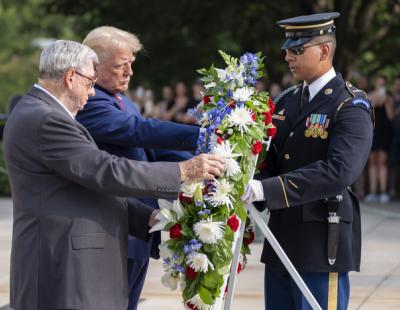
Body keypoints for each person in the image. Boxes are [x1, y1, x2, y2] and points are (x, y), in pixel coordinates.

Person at [2, 40, 224, 310]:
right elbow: (105, 170)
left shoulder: (42, 112)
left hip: (73, 267)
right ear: (71, 77)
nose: (93, 93)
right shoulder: (45, 118)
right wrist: (182, 171)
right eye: (90, 82)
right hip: (63, 268)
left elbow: (86, 186)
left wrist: (148, 218)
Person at [242, 13, 374, 310]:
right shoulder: (288, 100)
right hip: (282, 237)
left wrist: (266, 190)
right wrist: (242, 180)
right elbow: (272, 160)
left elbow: (339, 171)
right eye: (287, 49)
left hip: (320, 240)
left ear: (324, 51)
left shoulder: (349, 104)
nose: (288, 56)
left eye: (297, 49)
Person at [76, 26, 204, 310]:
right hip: (116, 227)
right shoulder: (92, 102)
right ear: (93, 66)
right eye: (121, 66)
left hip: (139, 227)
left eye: (131, 64)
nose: (129, 72)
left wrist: (206, 160)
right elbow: (140, 131)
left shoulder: (120, 99)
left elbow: (154, 150)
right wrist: (201, 136)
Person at [365, 76, 394, 203]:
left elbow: (391, 116)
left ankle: (383, 191)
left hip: (385, 132)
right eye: (378, 84)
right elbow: (368, 112)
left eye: (382, 84)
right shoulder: (368, 96)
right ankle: (372, 191)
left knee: (382, 162)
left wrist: (387, 102)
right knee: (372, 162)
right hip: (372, 131)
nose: (380, 86)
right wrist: (375, 98)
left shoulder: (389, 98)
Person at [389, 76, 400, 198]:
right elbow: (391, 116)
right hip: (394, 135)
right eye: (397, 84)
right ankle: (392, 189)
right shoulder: (391, 99)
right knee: (394, 164)